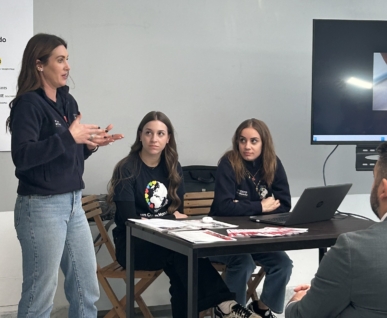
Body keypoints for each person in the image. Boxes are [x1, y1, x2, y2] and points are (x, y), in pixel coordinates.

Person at [7, 33, 123, 318]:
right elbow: (23, 157)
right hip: (40, 207)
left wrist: (89, 145)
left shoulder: (67, 101)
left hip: (73, 204)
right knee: (40, 295)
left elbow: (66, 155)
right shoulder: (28, 105)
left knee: (87, 290)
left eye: (67, 59)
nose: (67, 66)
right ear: (39, 64)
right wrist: (70, 137)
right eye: (60, 60)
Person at [107, 111, 261, 318]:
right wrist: (167, 219)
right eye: (149, 133)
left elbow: (177, 213)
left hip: (165, 241)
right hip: (133, 245)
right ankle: (226, 305)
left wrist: (156, 220)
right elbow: (130, 220)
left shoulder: (172, 167)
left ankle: (225, 305)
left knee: (182, 264)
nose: (154, 139)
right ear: (140, 135)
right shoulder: (126, 169)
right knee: (181, 253)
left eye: (160, 134)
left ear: (168, 138)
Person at [285, 142, 387, 318]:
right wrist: (323, 291)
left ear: (384, 188)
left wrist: (297, 300)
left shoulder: (352, 250)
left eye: (374, 178)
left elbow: (302, 316)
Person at [209, 118, 293, 318]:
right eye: (242, 140)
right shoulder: (228, 163)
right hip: (224, 238)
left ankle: (260, 309)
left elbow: (284, 205)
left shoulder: (273, 163)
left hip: (256, 238)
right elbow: (223, 207)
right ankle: (231, 311)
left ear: (264, 143)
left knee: (283, 264)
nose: (247, 146)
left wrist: (241, 206)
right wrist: (260, 206)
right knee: (244, 262)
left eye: (254, 141)